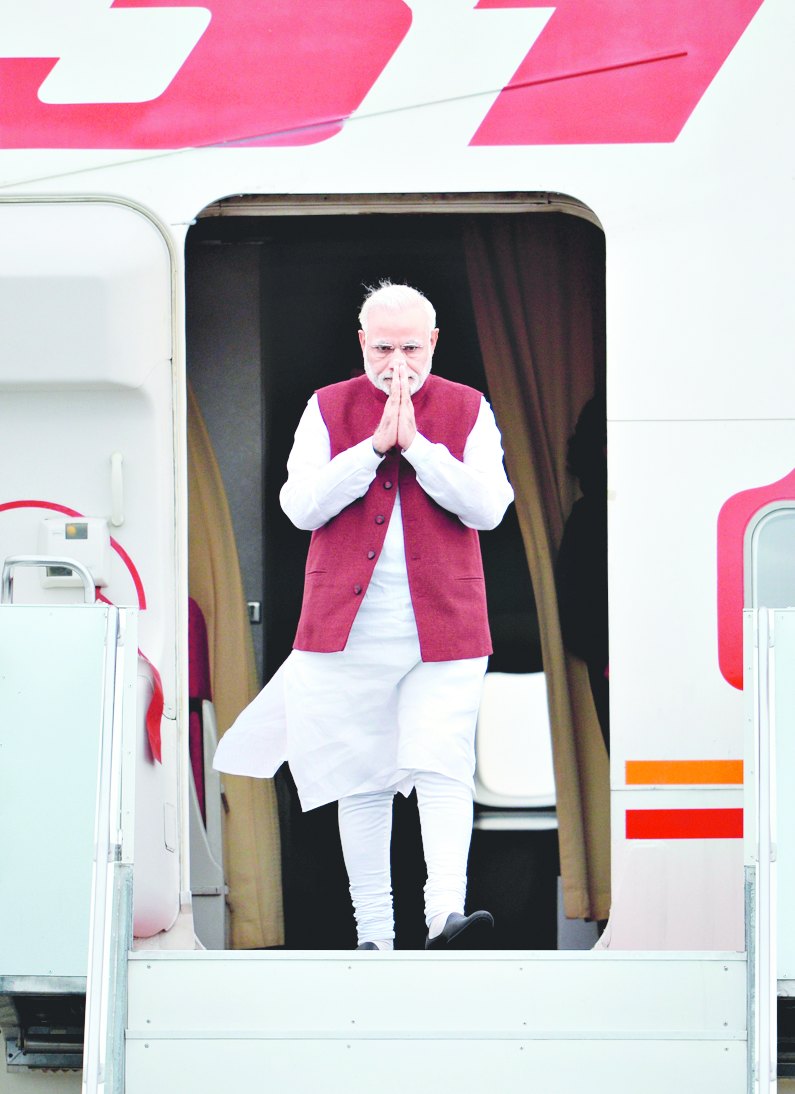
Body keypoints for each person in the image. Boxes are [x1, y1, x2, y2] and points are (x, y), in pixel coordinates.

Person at [214, 281, 514, 950]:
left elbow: (489, 508)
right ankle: (373, 933)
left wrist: (421, 449)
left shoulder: (469, 407)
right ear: (361, 344)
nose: (396, 364)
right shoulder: (326, 407)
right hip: (347, 626)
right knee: (359, 774)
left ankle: (445, 915)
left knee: (441, 760)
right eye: (382, 349)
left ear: (433, 342)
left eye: (410, 348)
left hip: (446, 621)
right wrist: (373, 448)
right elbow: (300, 507)